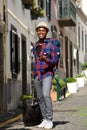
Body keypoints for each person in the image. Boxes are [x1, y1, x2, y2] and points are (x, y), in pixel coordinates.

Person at [33, 22, 59, 129]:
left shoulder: (51, 45)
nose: (41, 32)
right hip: (37, 74)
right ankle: (44, 119)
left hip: (47, 73)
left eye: (43, 30)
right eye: (39, 30)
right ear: (37, 32)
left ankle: (49, 119)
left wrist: (46, 59)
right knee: (40, 98)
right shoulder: (35, 45)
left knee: (46, 95)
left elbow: (55, 60)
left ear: (46, 32)